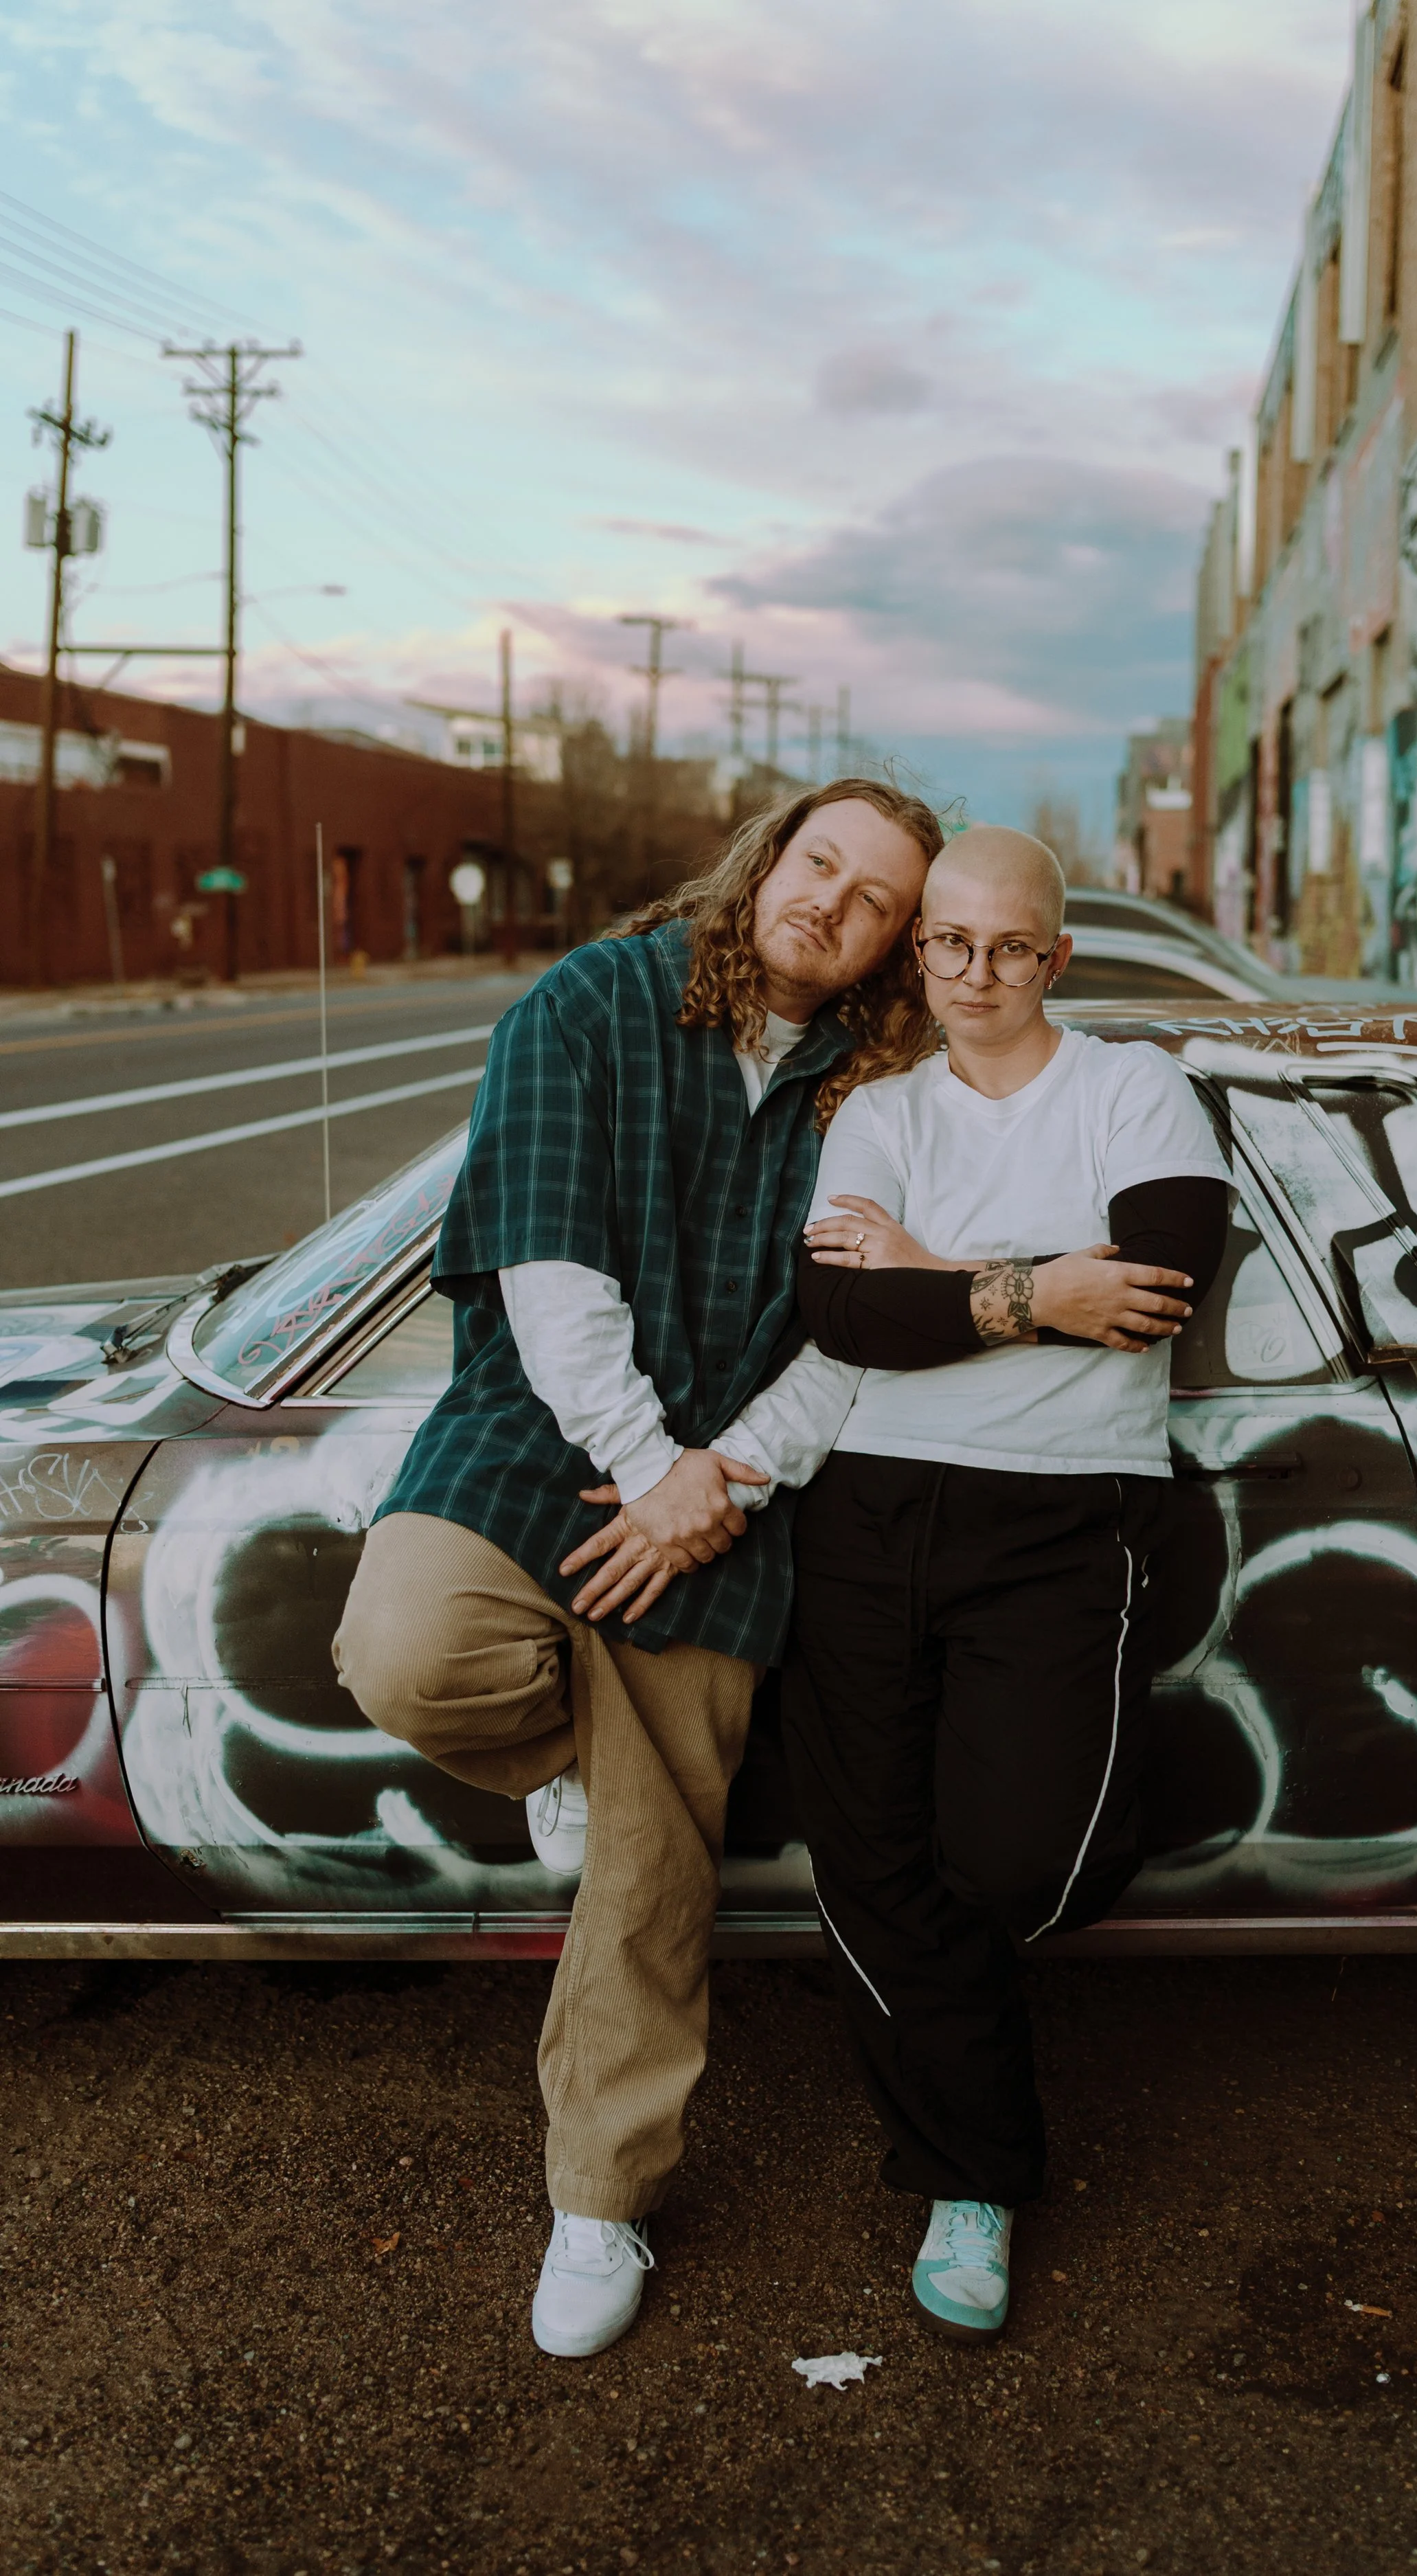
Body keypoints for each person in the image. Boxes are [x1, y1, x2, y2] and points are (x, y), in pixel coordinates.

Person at [331, 778, 943, 2359]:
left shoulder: (880, 1088)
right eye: (820, 862)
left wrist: (718, 1480)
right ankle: (572, 1764)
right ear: (766, 859)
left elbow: (853, 1344)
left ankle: (598, 2201)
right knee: (405, 1653)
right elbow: (547, 1263)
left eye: (875, 897)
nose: (833, 902)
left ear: (892, 941)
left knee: (652, 1876)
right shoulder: (593, 1000)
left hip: (736, 1484)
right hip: (540, 1430)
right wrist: (647, 1463)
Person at [782, 822, 1229, 2342]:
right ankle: (966, 2178)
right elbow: (840, 1315)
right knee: (875, 1866)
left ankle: (972, 2083)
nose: (976, 976)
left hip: (1058, 1516)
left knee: (1022, 1863)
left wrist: (935, 1270)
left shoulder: (1130, 1089)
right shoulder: (879, 1109)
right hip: (864, 1513)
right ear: (920, 955)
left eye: (1009, 948)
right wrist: (1041, 1285)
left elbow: (1160, 1279)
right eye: (947, 946)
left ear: (1056, 955)